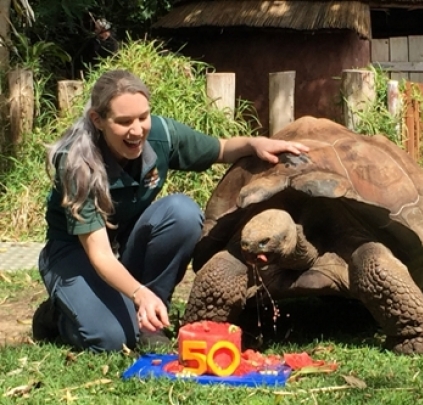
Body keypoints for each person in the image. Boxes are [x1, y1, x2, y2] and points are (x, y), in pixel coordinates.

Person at [32, 69, 309, 353]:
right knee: (111, 340)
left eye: (143, 117)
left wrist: (254, 143)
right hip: (76, 254)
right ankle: (58, 316)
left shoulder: (162, 135)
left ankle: (153, 314)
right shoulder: (77, 163)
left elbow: (221, 149)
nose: (137, 130)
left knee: (182, 213)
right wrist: (138, 292)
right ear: (98, 120)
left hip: (124, 245)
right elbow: (99, 254)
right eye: (124, 121)